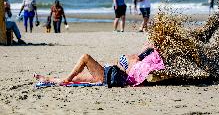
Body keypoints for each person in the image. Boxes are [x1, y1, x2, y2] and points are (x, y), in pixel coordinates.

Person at [34, 43, 164, 87]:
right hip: (108, 72)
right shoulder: (135, 58)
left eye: (146, 48)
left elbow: (139, 79)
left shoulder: (138, 62)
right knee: (78, 77)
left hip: (109, 76)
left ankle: (65, 79)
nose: (145, 46)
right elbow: (148, 44)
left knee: (85, 57)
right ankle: (49, 79)